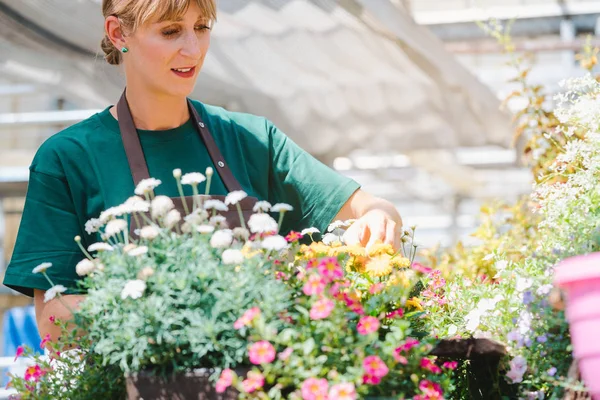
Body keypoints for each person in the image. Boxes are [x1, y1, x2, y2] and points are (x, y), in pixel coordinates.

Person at [2, 0, 403, 339]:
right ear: (118, 34)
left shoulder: (252, 138)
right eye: (171, 31)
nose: (193, 50)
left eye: (201, 27)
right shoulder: (68, 157)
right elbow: (56, 319)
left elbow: (371, 207)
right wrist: (175, 329)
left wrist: (380, 217)